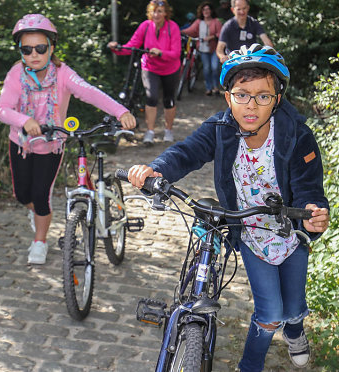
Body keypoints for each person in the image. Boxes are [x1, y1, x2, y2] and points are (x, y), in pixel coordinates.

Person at [127, 44, 330, 371]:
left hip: (290, 232)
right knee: (270, 313)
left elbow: (309, 188)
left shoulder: (296, 136)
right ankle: (249, 366)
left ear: (277, 99)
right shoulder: (220, 130)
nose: (251, 105)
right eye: (242, 94)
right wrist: (156, 169)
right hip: (249, 232)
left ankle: (295, 329)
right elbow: (186, 152)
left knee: (293, 305)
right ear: (227, 97)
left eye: (263, 96)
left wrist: (314, 213)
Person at [0, 14, 136, 265]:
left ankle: (40, 240)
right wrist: (24, 121)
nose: (34, 54)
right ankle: (38, 214)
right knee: (21, 194)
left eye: (40, 48)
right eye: (27, 50)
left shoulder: (62, 73)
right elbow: (2, 109)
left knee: (41, 195)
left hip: (51, 146)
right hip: (21, 143)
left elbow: (89, 92)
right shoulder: (16, 73)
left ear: (51, 48)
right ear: (20, 51)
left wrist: (120, 111)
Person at [107, 0, 181, 145]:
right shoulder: (145, 26)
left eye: (159, 11)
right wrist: (117, 48)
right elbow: (132, 45)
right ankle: (150, 131)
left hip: (170, 68)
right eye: (154, 11)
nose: (156, 14)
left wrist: (161, 53)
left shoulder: (173, 27)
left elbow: (176, 53)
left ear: (166, 13)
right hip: (150, 66)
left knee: (169, 100)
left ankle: (168, 130)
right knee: (151, 97)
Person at [182, 1, 222, 95]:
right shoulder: (198, 22)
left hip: (214, 49)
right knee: (207, 69)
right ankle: (208, 88)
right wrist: (180, 31)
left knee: (215, 67)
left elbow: (221, 34)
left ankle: (215, 87)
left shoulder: (216, 22)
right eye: (204, 9)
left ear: (211, 11)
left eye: (208, 9)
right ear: (201, 11)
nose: (206, 11)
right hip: (203, 50)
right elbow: (190, 30)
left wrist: (211, 37)